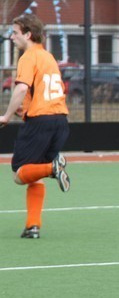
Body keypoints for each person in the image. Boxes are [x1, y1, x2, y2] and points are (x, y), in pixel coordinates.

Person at [0, 14, 71, 239]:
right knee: (34, 174)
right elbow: (47, 91)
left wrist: (6, 115)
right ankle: (33, 226)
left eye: (15, 33)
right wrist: (25, 109)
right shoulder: (48, 57)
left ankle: (53, 168)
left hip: (40, 122)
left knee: (19, 174)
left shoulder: (28, 57)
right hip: (60, 120)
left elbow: (21, 88)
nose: (12, 37)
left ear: (28, 35)